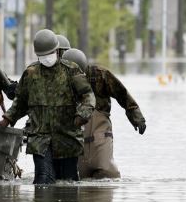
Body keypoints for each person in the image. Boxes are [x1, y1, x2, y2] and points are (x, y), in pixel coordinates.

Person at [0, 28, 96, 185]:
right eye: (42, 55)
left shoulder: (71, 70)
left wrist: (82, 115)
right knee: (43, 182)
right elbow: (20, 101)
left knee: (68, 184)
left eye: (49, 54)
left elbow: (88, 95)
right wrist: (7, 119)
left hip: (67, 137)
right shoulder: (31, 73)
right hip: (40, 138)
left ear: (57, 51)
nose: (47, 58)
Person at [62, 48, 147, 179]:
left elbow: (122, 94)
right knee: (79, 178)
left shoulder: (100, 75)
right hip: (76, 134)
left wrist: (137, 117)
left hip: (101, 133)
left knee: (108, 174)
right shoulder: (60, 80)